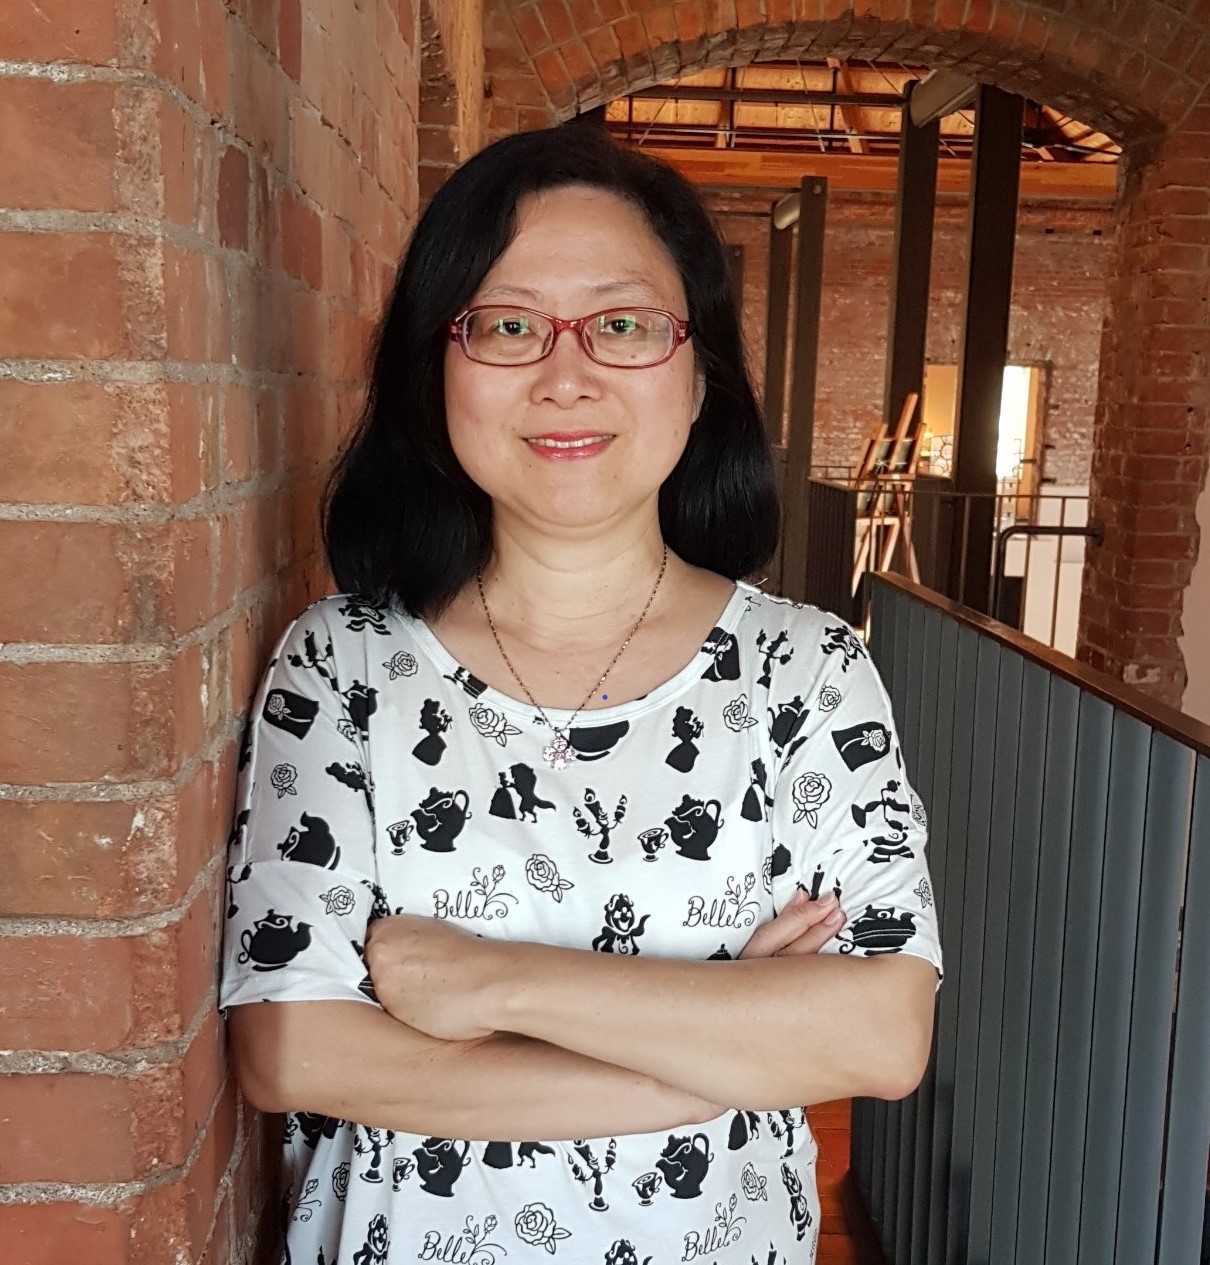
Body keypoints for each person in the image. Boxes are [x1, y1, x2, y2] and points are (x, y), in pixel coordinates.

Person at [220, 123, 942, 1265]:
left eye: (623, 324)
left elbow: (881, 1033)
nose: (566, 376)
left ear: (699, 376)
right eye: (507, 325)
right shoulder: (341, 665)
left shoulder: (806, 670)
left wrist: (488, 981)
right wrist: (724, 1054)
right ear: (436, 371)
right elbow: (292, 1051)